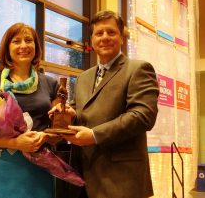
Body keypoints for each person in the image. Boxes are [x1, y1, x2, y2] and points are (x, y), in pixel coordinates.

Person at [49, 10, 159, 198]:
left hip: (121, 183)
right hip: (82, 178)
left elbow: (143, 116)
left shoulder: (138, 69)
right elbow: (80, 111)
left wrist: (94, 135)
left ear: (122, 37)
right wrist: (68, 113)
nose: (105, 37)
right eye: (99, 33)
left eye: (111, 32)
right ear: (92, 40)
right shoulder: (84, 77)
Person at [0, 23, 61, 198]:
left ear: (36, 47)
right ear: (7, 48)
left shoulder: (51, 84)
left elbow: (59, 131)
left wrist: (45, 136)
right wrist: (15, 143)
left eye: (29, 40)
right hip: (0, 165)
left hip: (39, 163)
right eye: (16, 41)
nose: (23, 46)